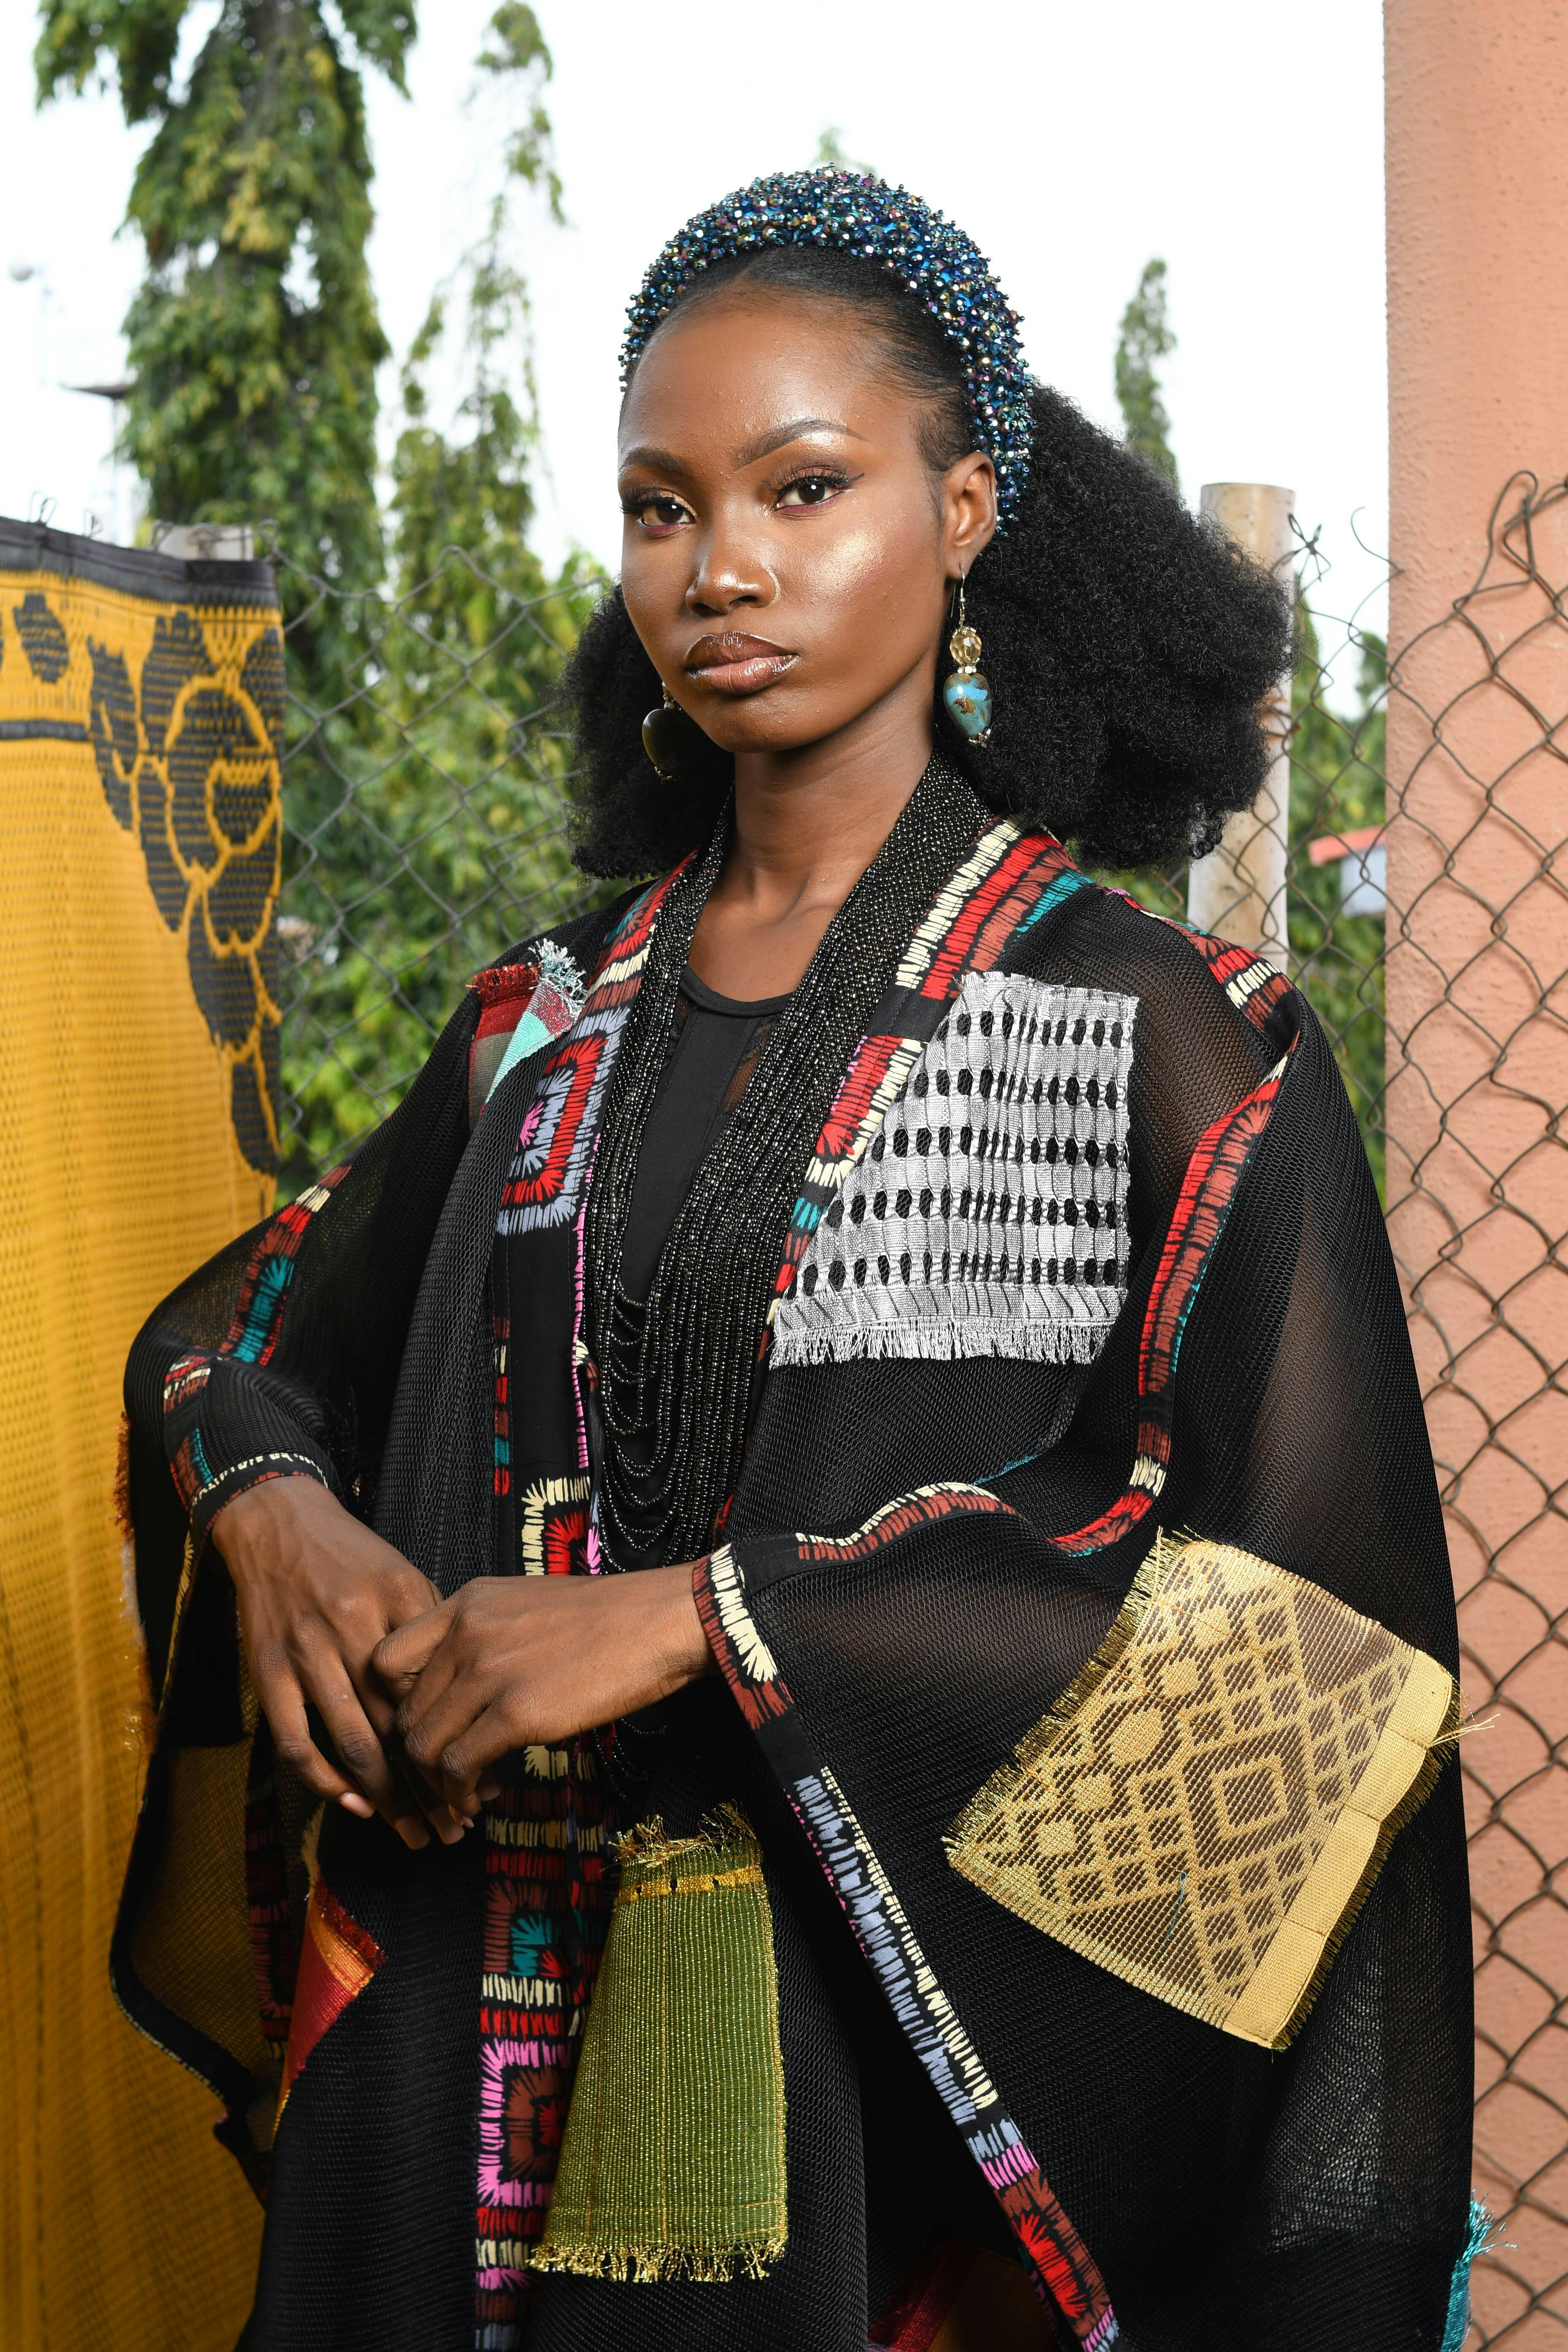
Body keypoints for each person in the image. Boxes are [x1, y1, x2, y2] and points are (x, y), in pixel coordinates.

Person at [113, 170, 1475, 2352]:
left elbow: (1304, 1674)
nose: (720, 565)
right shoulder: (534, 1030)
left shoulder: (1155, 1035)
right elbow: (248, 1330)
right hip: (464, 2051)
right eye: (660, 507)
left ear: (966, 513)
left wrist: (716, 1626)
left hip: (904, 2146)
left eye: (803, 487)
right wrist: (267, 1505)